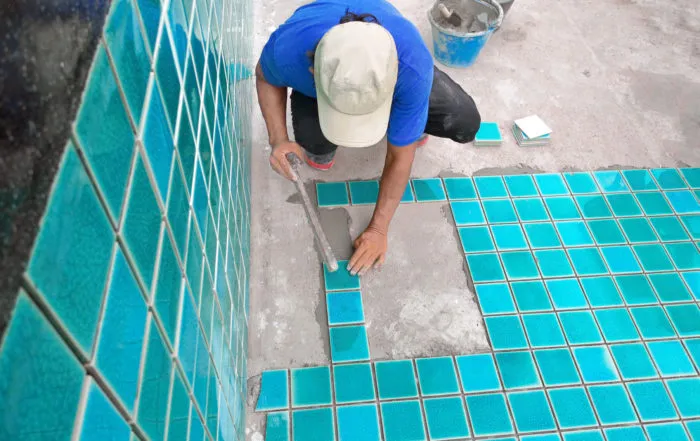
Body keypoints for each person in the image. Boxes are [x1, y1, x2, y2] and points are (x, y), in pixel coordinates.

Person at [256, 0, 481, 276]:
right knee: (317, 150)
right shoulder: (290, 51)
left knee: (462, 121)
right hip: (316, 74)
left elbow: (400, 157)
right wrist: (278, 139)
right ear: (313, 71)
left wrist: (378, 229)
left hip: (400, 75)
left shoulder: (410, 65)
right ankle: (398, 119)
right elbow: (264, 77)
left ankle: (410, 120)